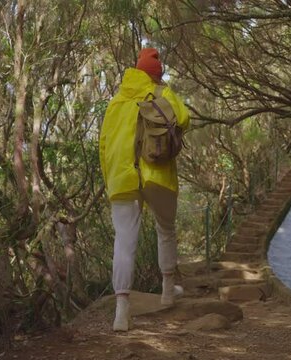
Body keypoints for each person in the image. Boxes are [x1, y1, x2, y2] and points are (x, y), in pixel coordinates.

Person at [99, 48, 190, 332]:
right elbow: (185, 120)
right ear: (156, 74)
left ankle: (122, 311)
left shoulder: (116, 102)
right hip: (157, 174)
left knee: (124, 241)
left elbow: (103, 145)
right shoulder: (163, 93)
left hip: (122, 178)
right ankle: (166, 291)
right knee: (166, 229)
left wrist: (110, 180)